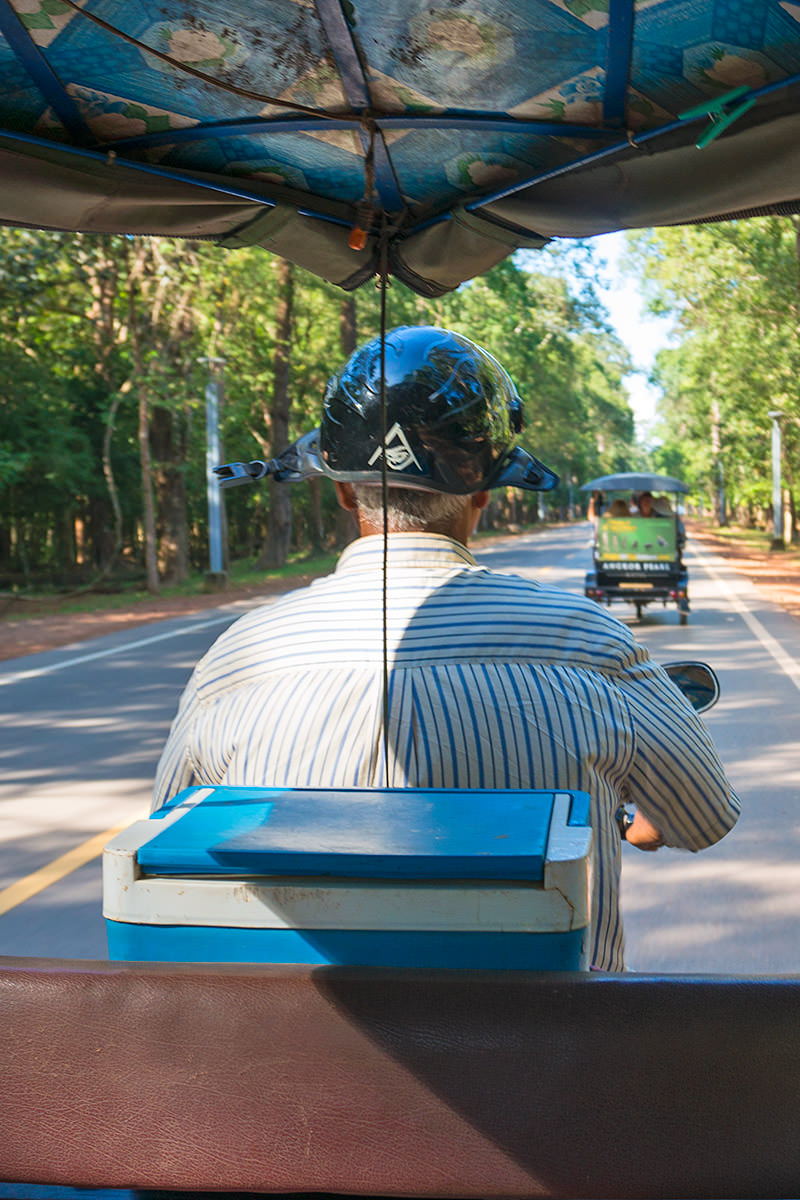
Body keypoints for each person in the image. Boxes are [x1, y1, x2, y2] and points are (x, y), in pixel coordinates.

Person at [153, 325, 739, 971]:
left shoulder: (237, 659)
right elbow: (704, 818)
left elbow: (166, 837)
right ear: (484, 495)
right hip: (553, 1060)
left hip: (303, 1064)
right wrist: (633, 820)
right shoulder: (593, 646)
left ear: (344, 490)